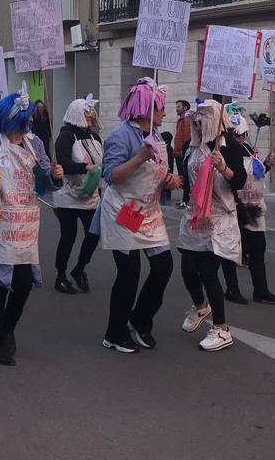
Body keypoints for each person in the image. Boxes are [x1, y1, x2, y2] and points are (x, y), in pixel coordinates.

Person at [0, 87, 63, 366]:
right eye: (25, 118)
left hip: (24, 228)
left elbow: (45, 181)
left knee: (23, 283)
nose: (29, 122)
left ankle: (7, 328)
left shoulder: (36, 145)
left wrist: (54, 175)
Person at [97, 78, 182, 354]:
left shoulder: (157, 136)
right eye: (160, 108)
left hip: (150, 213)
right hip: (125, 212)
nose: (165, 114)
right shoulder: (120, 137)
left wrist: (168, 180)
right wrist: (140, 157)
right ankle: (115, 332)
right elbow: (112, 176)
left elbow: (154, 173)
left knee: (163, 267)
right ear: (146, 108)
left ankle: (140, 319)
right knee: (129, 272)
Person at [177, 100, 246, 352]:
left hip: (219, 217)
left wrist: (224, 168)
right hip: (195, 216)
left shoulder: (230, 150)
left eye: (202, 119)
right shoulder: (189, 149)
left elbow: (239, 181)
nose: (196, 124)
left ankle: (221, 328)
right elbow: (188, 182)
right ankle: (200, 306)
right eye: (194, 120)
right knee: (187, 268)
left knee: (208, 271)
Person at [220, 110, 275, 304]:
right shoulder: (227, 150)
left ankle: (261, 290)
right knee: (233, 250)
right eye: (237, 134)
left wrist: (266, 164)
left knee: (258, 248)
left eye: (242, 134)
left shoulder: (248, 148)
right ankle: (232, 289)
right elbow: (234, 177)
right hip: (237, 206)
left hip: (254, 204)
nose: (241, 138)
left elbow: (255, 175)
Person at [51, 95, 102, 294]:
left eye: (91, 115)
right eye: (86, 114)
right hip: (68, 197)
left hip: (91, 197)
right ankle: (60, 274)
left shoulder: (94, 137)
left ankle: (79, 268)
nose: (90, 118)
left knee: (93, 234)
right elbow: (63, 163)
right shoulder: (65, 136)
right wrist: (84, 167)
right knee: (68, 237)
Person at [172, 100, 192, 208]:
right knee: (183, 177)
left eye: (179, 106)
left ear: (185, 108)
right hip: (179, 153)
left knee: (185, 178)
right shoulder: (180, 120)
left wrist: (182, 153)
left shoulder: (187, 120)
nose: (176, 108)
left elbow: (187, 138)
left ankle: (185, 200)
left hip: (183, 153)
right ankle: (184, 200)